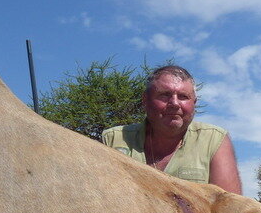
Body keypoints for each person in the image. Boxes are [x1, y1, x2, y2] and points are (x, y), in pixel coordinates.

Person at [100, 65, 242, 194]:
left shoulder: (215, 140)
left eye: (183, 97)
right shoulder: (112, 139)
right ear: (145, 100)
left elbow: (229, 210)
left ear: (194, 104)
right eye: (164, 95)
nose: (174, 103)